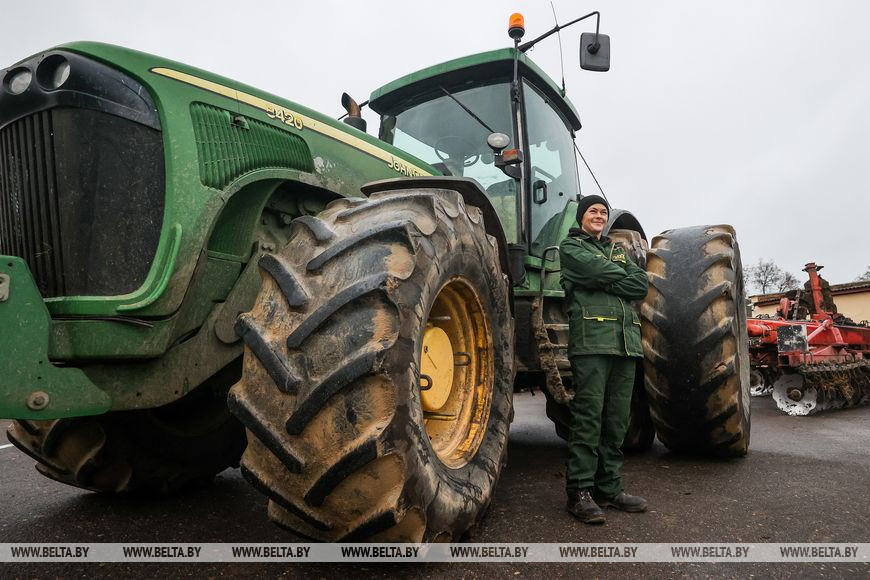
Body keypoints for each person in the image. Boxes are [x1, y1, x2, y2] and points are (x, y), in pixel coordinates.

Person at [559, 195, 649, 524]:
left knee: (617, 421)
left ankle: (608, 487)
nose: (598, 215)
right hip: (593, 342)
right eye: (593, 211)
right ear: (582, 217)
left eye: (603, 212)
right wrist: (617, 276)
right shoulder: (571, 249)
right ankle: (579, 491)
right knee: (588, 418)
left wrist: (607, 277)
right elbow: (594, 271)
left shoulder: (616, 249)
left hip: (626, 344)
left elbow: (640, 284)